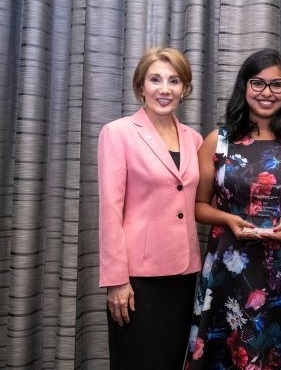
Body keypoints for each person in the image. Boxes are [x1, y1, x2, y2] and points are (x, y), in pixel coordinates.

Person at [185, 48, 281, 369]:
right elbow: (198, 206)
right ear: (244, 87)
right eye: (258, 83)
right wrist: (229, 218)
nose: (267, 92)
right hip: (230, 268)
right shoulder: (218, 140)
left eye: (276, 85)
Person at [97, 47, 203, 369]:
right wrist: (116, 279)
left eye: (174, 81)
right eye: (155, 79)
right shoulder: (118, 133)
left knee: (173, 362)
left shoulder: (195, 139)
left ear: (184, 89)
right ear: (141, 86)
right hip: (137, 279)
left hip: (185, 275)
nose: (164, 89)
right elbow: (109, 211)